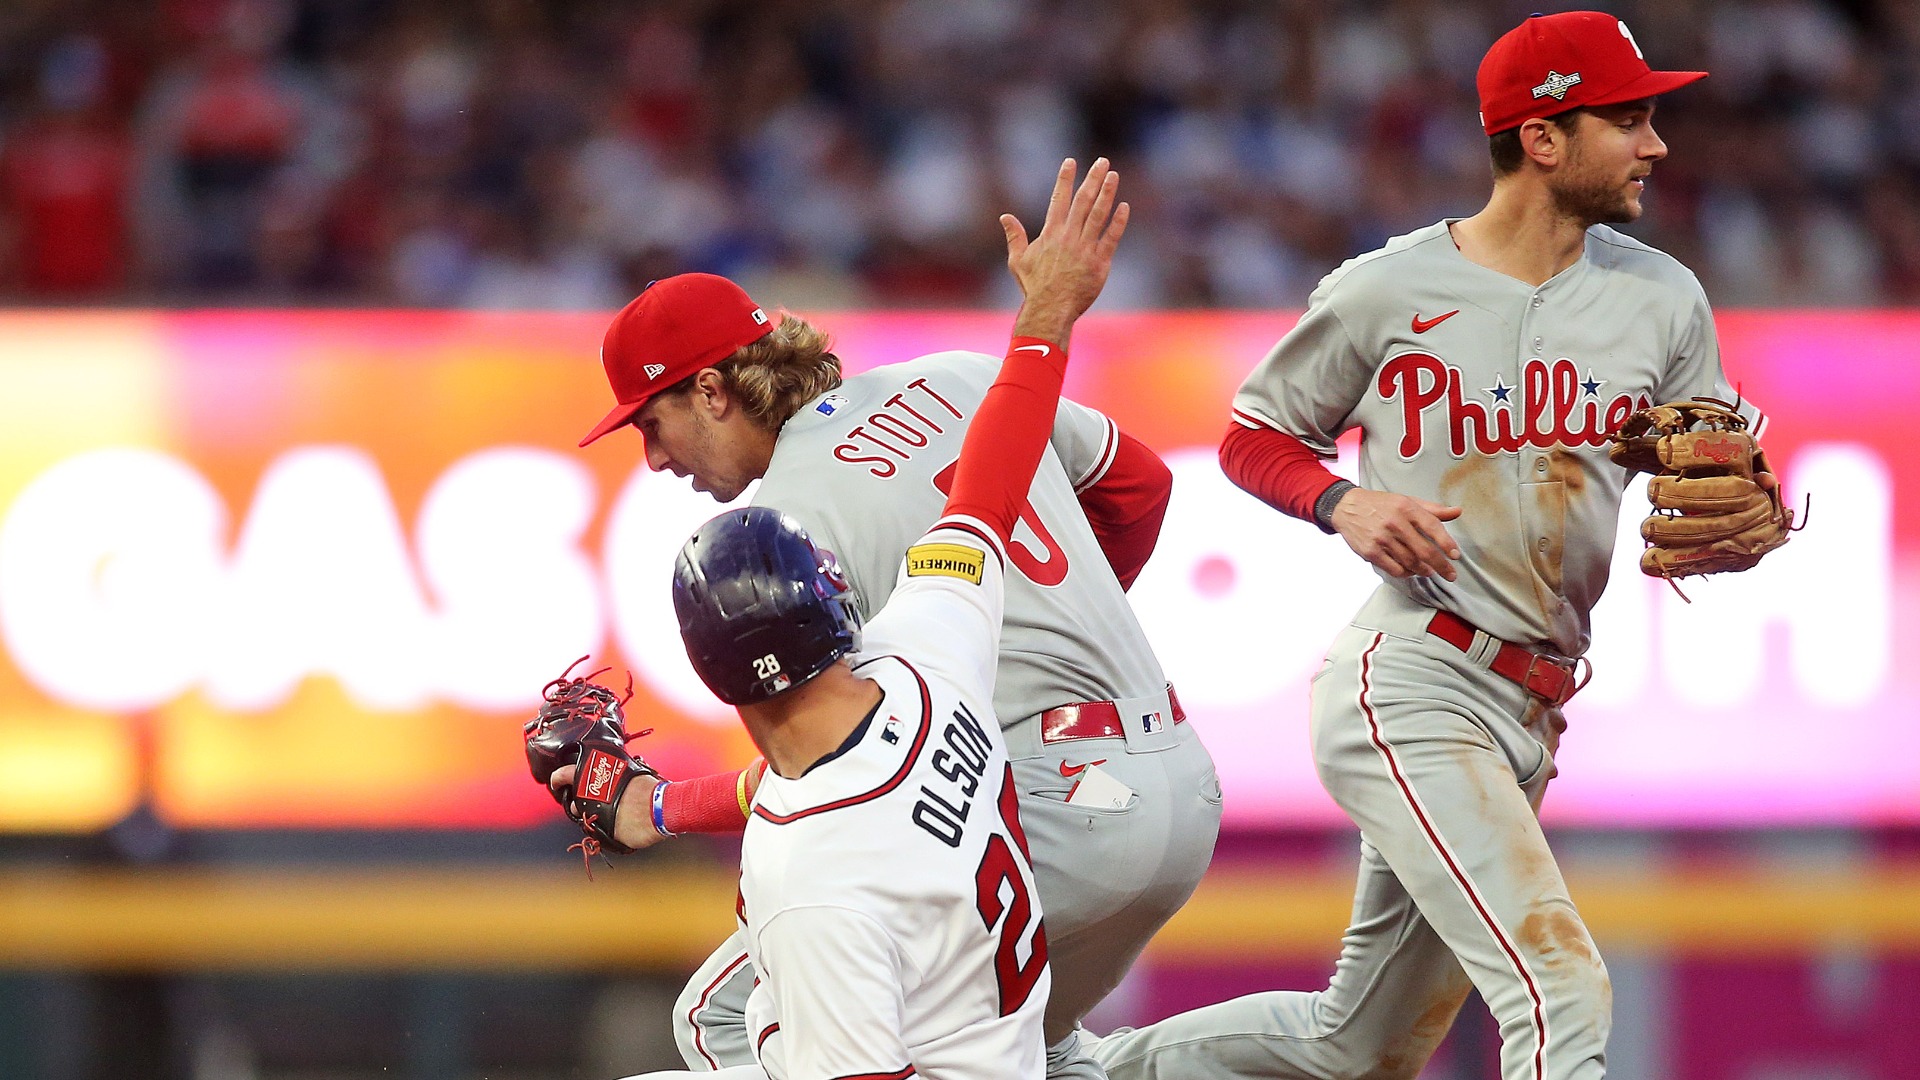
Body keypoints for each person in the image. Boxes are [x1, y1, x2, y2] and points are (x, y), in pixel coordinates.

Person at [1079, 13, 1769, 1080]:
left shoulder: (1661, 295)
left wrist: (1740, 512)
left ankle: (1072, 1073)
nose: (1655, 143)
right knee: (1560, 982)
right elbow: (1256, 434)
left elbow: (1710, 462)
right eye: (1627, 118)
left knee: (1358, 1048)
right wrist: (1341, 505)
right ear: (1542, 139)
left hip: (1534, 703)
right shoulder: (1388, 289)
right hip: (1416, 677)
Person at [574, 174, 1221, 1076]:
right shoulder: (951, 374)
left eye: (652, 420)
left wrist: (661, 807)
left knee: (726, 1018)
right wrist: (1060, 615)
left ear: (714, 390)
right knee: (1021, 1049)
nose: (649, 456)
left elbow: (838, 763)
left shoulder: (789, 531)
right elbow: (1139, 485)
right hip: (1182, 782)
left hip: (1051, 809)